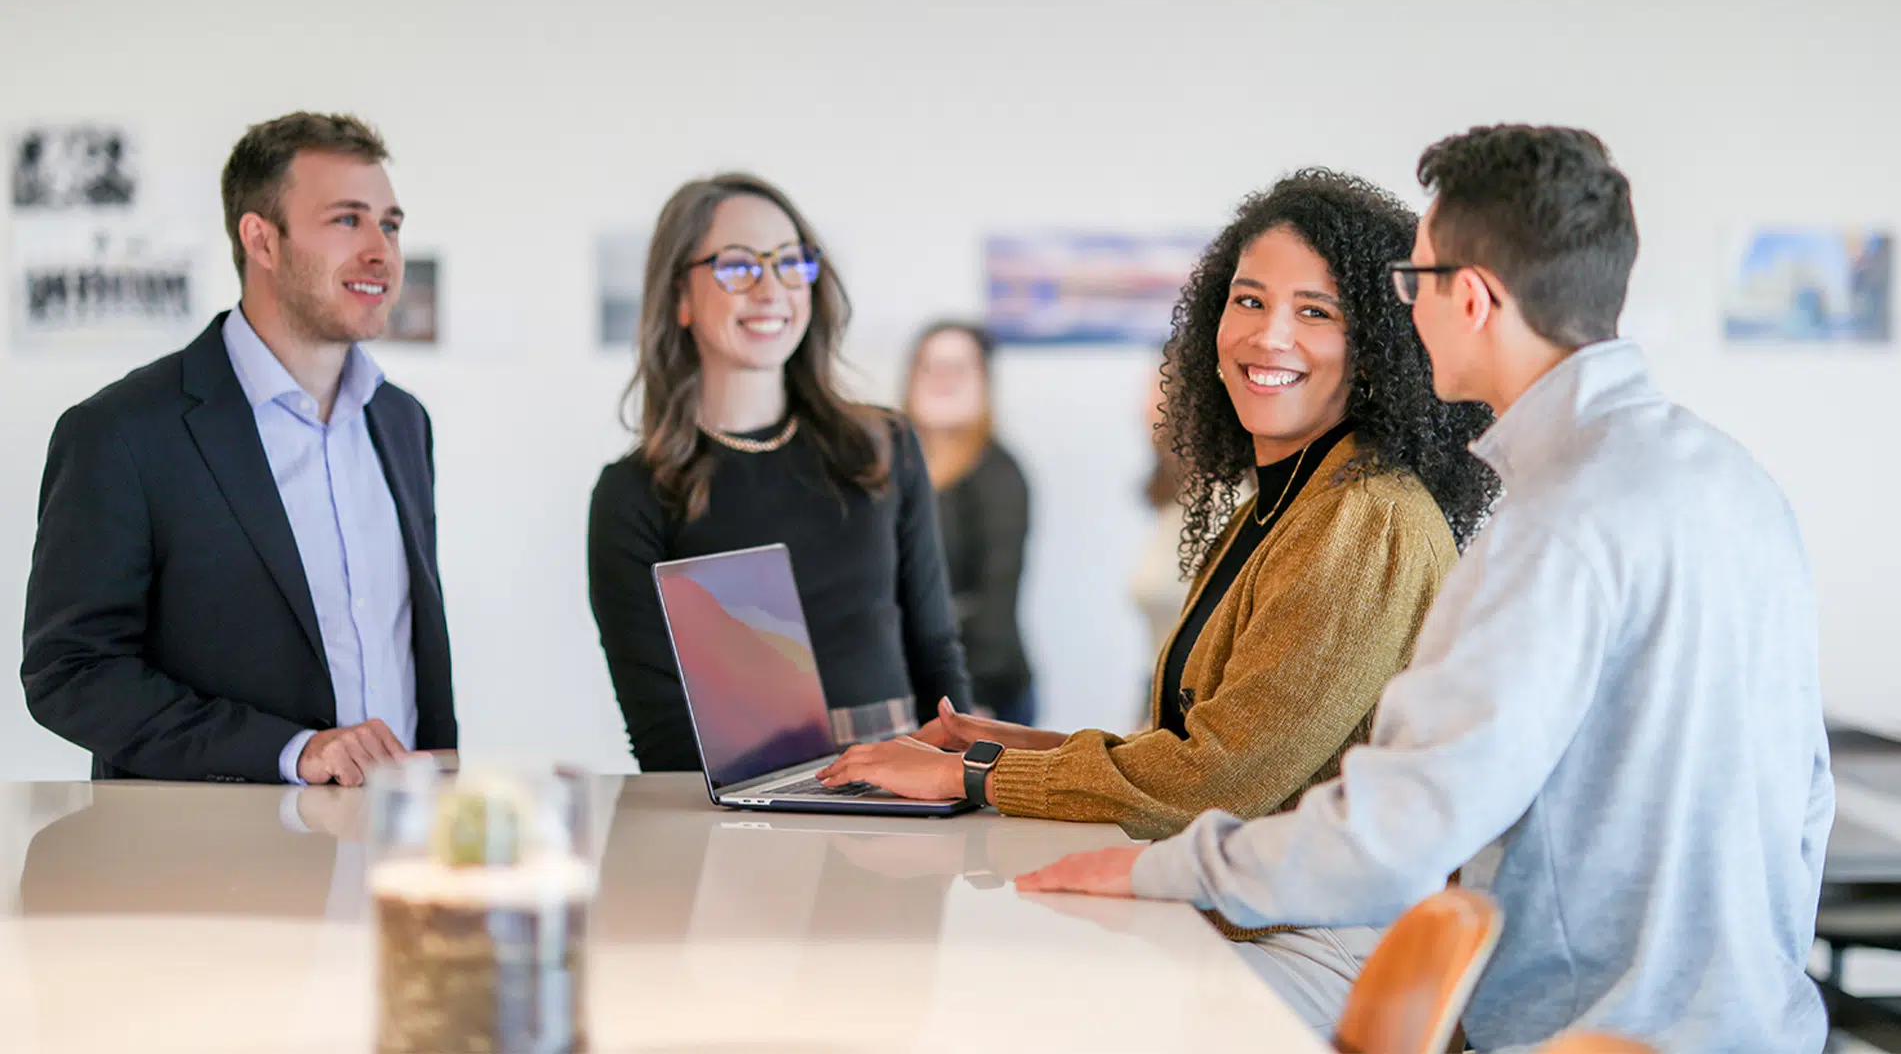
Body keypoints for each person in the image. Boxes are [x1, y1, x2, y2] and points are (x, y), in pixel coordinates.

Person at [1018, 126, 1835, 1052]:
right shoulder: (1735, 481)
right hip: (1760, 1026)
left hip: (1587, 1035)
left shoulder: (1557, 519)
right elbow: (1808, 795)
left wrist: (1154, 874)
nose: (1401, 311)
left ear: (1474, 300)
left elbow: (1396, 828)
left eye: (1414, 283)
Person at [820, 169, 1497, 850]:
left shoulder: (1367, 518)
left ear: (1377, 346)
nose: (1269, 336)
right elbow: (1199, 747)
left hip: (1305, 936)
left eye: (1316, 311)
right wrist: (1013, 751)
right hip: (1239, 907)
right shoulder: (1283, 504)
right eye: (1250, 300)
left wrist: (973, 775)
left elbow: (1218, 782)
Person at [21, 112, 454, 786]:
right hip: (209, 862)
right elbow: (70, 673)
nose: (381, 250)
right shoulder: (123, 431)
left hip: (396, 846)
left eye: (390, 224)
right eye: (347, 220)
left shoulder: (402, 422)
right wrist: (295, 752)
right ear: (262, 240)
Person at [588, 173, 972, 772]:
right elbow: (662, 732)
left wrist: (963, 779)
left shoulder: (884, 446)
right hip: (748, 824)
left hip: (904, 812)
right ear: (679, 298)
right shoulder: (636, 494)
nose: (771, 289)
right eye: (737, 267)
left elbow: (937, 656)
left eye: (790, 263)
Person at [903, 320, 1034, 724]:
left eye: (959, 368)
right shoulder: (889, 469)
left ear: (984, 382)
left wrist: (974, 702)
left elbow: (996, 600)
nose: (943, 379)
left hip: (982, 696)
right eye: (931, 366)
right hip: (910, 693)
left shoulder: (999, 474)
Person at [1129, 368, 1190, 727]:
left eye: (1160, 391)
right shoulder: (1175, 501)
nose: (1142, 409)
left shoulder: (1226, 504)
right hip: (1157, 696)